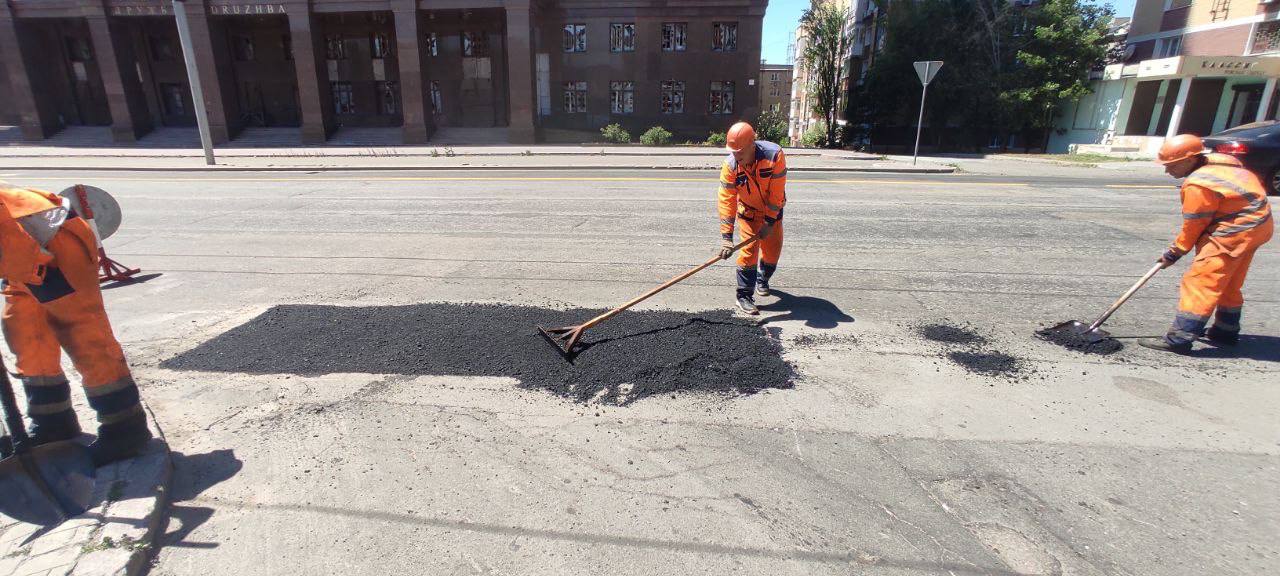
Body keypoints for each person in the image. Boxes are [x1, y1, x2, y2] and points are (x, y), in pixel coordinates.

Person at [0, 181, 152, 465]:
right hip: (20, 248)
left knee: (81, 333)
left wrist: (42, 282)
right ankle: (52, 421)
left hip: (55, 242)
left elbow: (14, 246)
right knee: (25, 332)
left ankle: (124, 427)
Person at [1140, 134, 1273, 353]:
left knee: (1201, 281)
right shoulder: (1223, 165)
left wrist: (1174, 252)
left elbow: (1194, 226)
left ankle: (1180, 338)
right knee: (1229, 280)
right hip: (1259, 226)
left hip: (1234, 232)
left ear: (1190, 159)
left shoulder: (1198, 184)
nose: (1167, 171)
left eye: (1171, 165)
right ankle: (1225, 330)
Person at [716, 121, 788, 315]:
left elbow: (777, 193)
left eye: (740, 151)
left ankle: (762, 277)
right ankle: (744, 295)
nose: (736, 156)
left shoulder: (774, 156)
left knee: (772, 252)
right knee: (749, 252)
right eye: (733, 151)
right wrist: (726, 238)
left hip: (771, 213)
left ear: (752, 144)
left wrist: (769, 221)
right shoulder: (730, 166)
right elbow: (726, 201)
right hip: (748, 213)